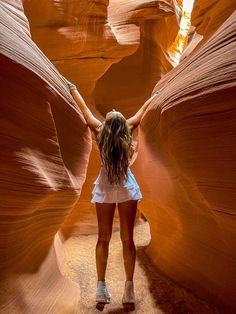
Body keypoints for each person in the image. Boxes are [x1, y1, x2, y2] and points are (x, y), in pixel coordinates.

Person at [67, 80, 157, 308]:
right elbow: (141, 112)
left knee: (103, 238)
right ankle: (128, 289)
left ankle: (101, 286)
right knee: (128, 239)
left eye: (112, 113)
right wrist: (156, 94)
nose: (114, 109)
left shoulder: (100, 133)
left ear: (109, 124)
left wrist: (74, 88)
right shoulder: (125, 131)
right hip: (126, 188)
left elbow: (86, 113)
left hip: (106, 189)